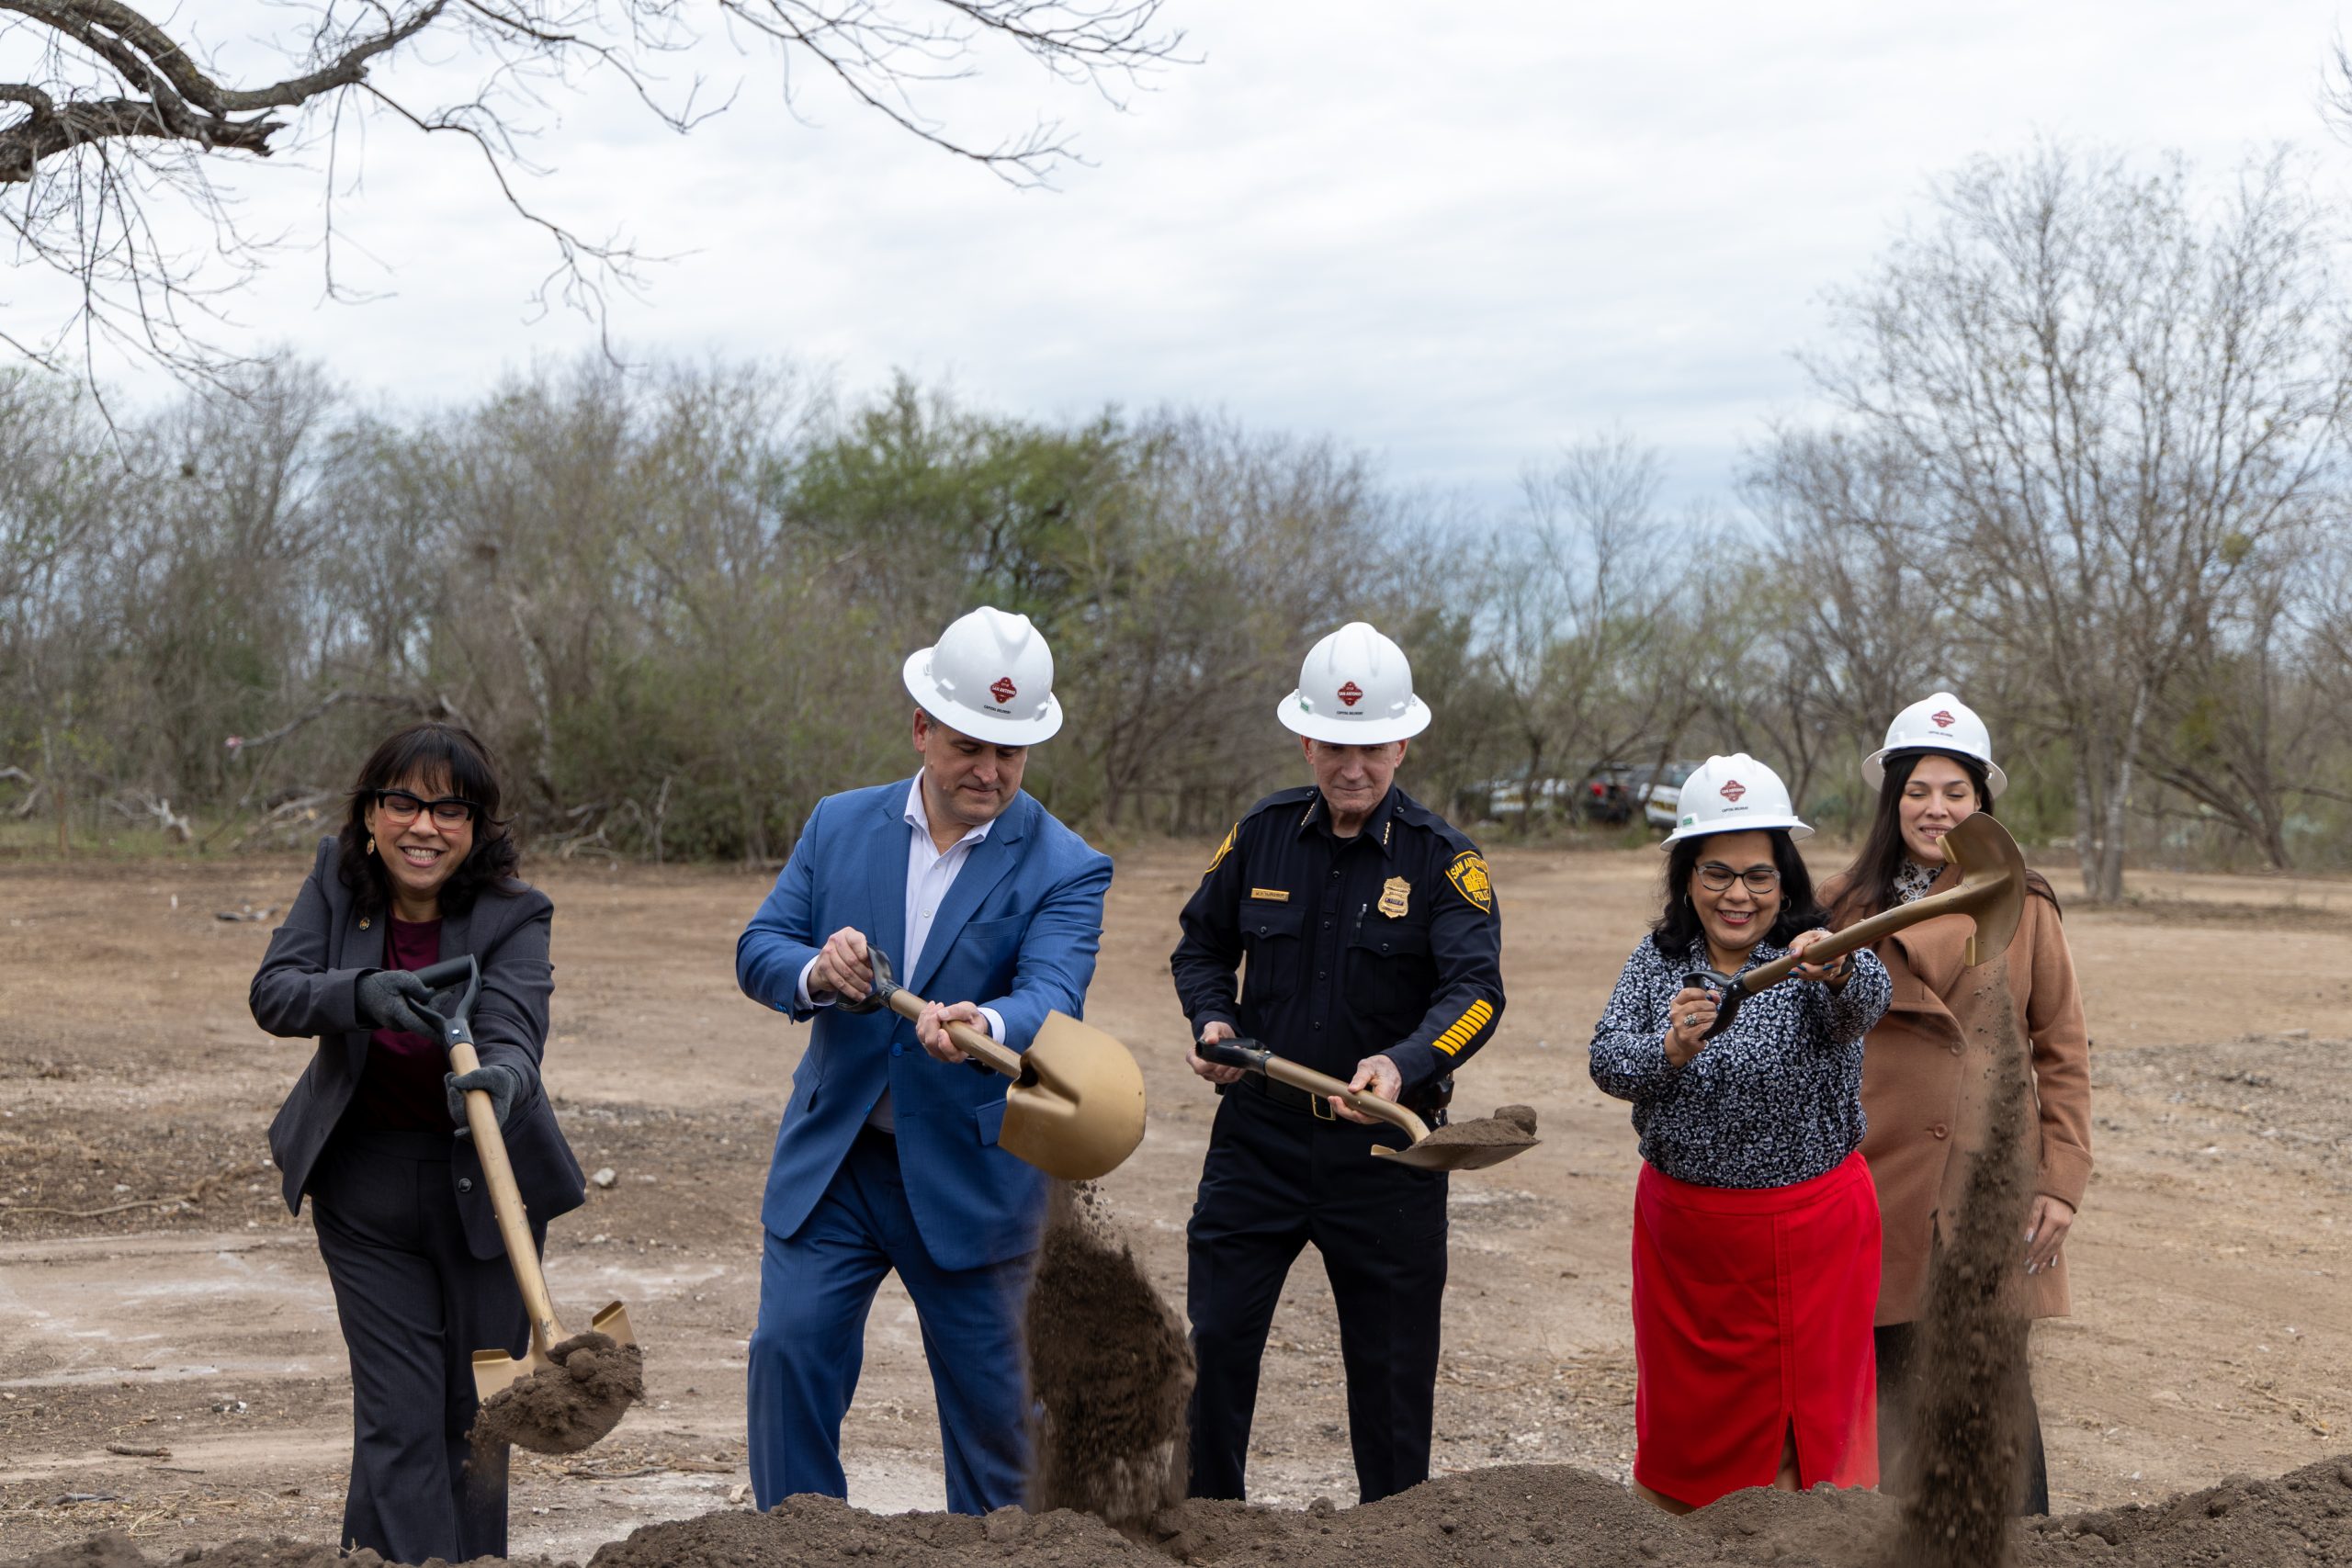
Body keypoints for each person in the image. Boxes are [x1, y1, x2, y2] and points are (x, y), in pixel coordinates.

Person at [734, 605, 1114, 1515]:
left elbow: (1054, 993)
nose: (989, 771)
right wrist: (817, 972)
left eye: (1009, 752)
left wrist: (987, 1022)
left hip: (974, 1177)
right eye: (968, 745)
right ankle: (797, 1546)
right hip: (837, 1165)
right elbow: (761, 947)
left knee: (1001, 1427)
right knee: (787, 1357)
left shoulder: (1068, 866)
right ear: (921, 728)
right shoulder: (837, 824)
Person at [1170, 621, 1506, 1506]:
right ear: (1306, 740)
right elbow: (1200, 947)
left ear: (1401, 744)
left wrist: (1402, 1064)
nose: (1352, 767)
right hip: (1258, 1139)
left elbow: (1477, 993)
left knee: (1392, 1382)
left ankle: (1392, 1544)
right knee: (1215, 1347)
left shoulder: (1446, 861)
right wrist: (1212, 1019)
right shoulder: (1261, 834)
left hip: (1386, 1155)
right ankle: (1208, 1531)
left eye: (1370, 747)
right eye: (1334, 745)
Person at [251, 721, 584, 1564]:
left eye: (449, 808)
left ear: (476, 825)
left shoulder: (516, 911)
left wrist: (503, 1078)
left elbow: (515, 1022)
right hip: (365, 1188)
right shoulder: (337, 882)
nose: (424, 825)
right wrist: (360, 992)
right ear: (371, 814)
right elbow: (276, 991)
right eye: (403, 802)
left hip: (490, 1189)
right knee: (397, 1418)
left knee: (477, 1420)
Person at [1588, 753, 1891, 1514]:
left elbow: (1867, 1002)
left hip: (1810, 1234)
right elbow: (1607, 1060)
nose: (1738, 894)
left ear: (1785, 880)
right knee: (1690, 1430)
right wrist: (1669, 1048)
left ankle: (1801, 1550)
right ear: (1687, 876)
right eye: (1717, 872)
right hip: (1689, 1241)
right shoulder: (1658, 962)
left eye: (1759, 875)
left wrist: (1839, 969)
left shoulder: (1812, 953)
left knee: (1803, 1434)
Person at [1826, 692, 2088, 1513]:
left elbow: (2063, 1049)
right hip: (1875, 1178)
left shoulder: (2026, 902)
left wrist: (2060, 1182)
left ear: (1982, 804)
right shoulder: (1842, 909)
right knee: (1888, 1387)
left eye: (1955, 792)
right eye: (1917, 790)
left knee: (1992, 1387)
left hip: (1986, 1182)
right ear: (1892, 798)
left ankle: (2021, 1547)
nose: (1934, 808)